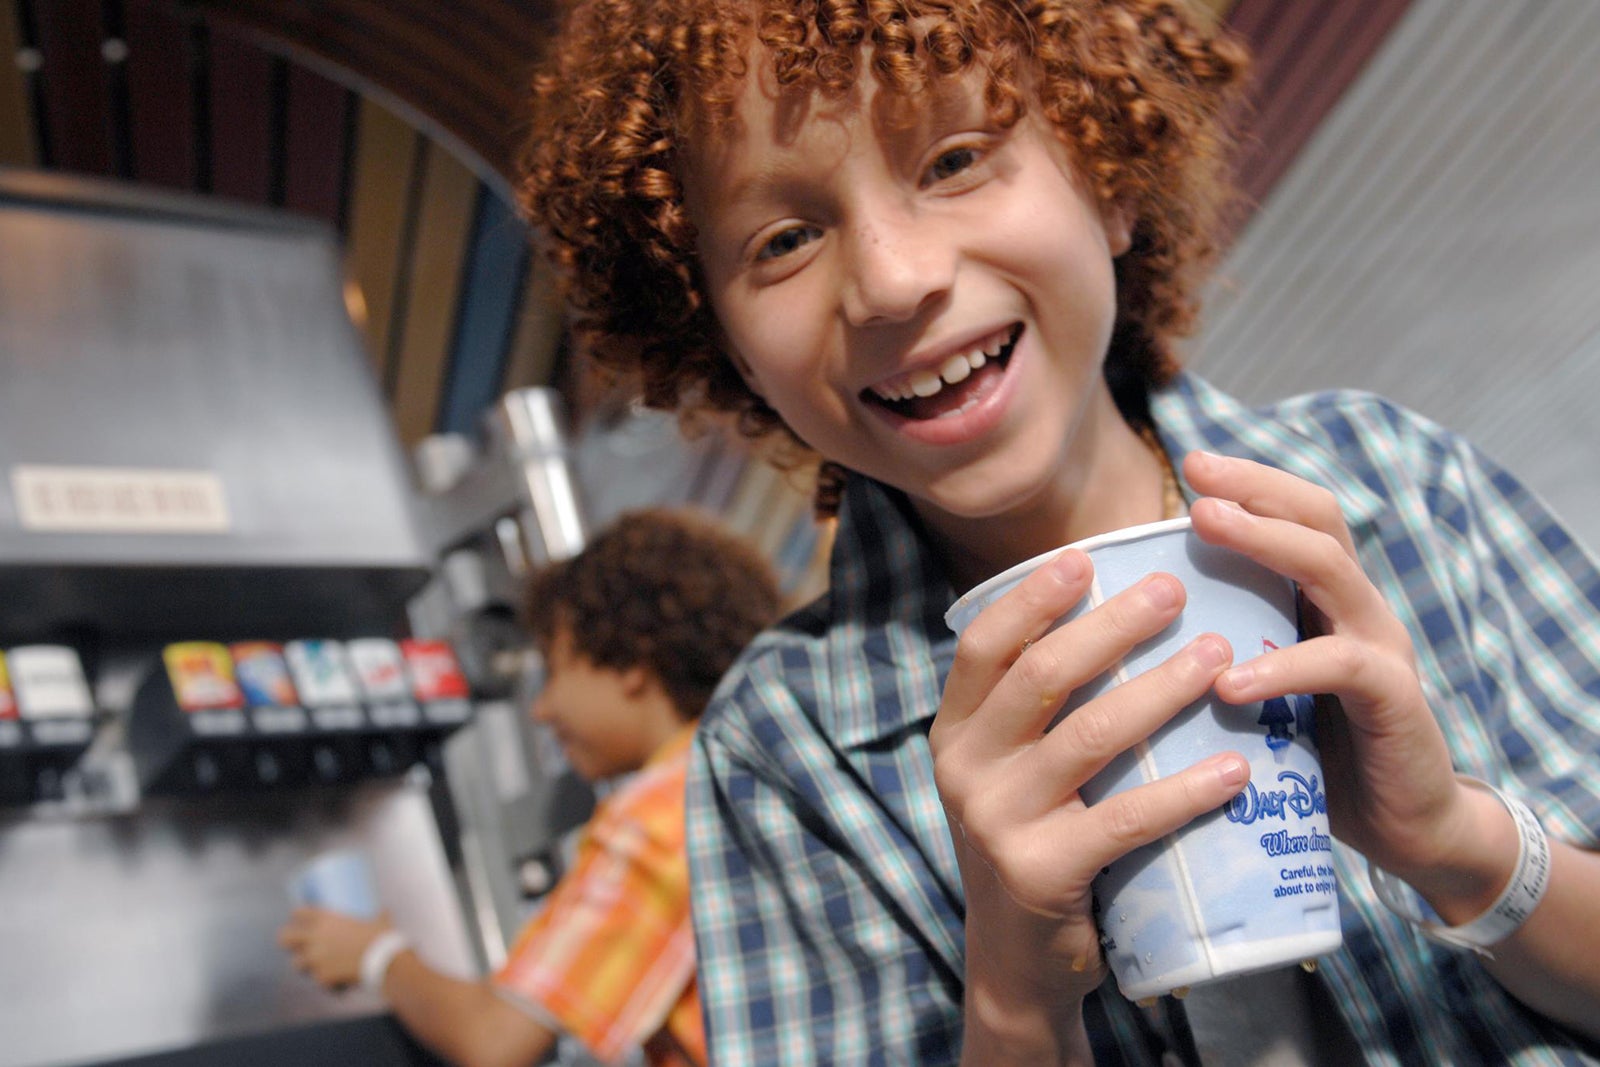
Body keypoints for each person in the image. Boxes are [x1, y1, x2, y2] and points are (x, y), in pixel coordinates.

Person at [516, 2, 1600, 1064]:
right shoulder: (782, 750)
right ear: (730, 351)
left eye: (951, 160)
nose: (896, 279)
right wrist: (1017, 1000)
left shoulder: (1393, 484)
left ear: (1109, 175)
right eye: (785, 237)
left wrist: (1458, 844)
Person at [278, 509, 781, 1067]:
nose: (542, 711)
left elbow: (496, 1041)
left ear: (632, 660)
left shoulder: (660, 813)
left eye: (555, 670)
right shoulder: (766, 771)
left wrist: (375, 955)